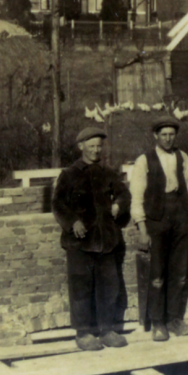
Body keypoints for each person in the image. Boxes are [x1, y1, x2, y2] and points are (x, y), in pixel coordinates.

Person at [52, 127, 131, 351]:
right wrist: (72, 222)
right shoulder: (69, 174)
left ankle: (107, 330)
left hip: (107, 242)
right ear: (81, 147)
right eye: (91, 146)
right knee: (81, 289)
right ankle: (83, 333)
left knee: (110, 288)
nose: (96, 150)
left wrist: (118, 204)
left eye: (99, 146)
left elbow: (125, 194)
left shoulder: (108, 173)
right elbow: (57, 204)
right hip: (80, 243)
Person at [130, 116, 188, 341]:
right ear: (155, 136)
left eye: (172, 135)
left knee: (179, 273)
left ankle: (174, 319)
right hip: (156, 220)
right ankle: (158, 322)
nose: (168, 139)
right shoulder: (144, 160)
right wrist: (142, 228)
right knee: (157, 275)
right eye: (164, 135)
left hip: (180, 217)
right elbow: (137, 195)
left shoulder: (182, 157)